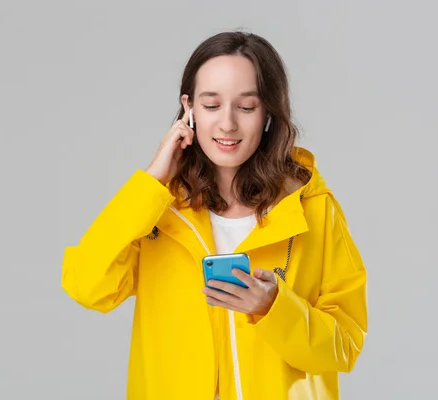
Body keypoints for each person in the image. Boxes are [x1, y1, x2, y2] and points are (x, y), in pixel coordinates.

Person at [61, 30, 368, 400]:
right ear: (188, 108)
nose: (227, 124)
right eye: (211, 105)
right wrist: (152, 182)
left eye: (247, 107)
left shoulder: (312, 209)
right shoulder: (159, 211)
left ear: (268, 112)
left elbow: (344, 345)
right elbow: (87, 286)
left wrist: (274, 308)